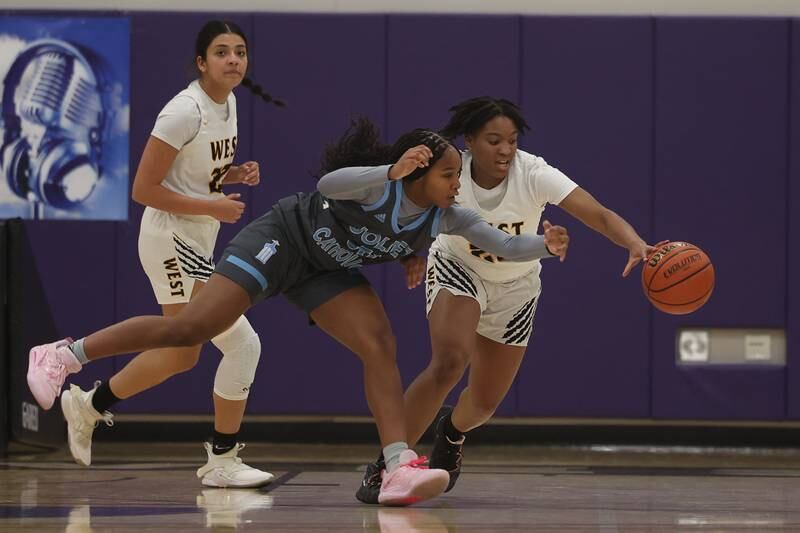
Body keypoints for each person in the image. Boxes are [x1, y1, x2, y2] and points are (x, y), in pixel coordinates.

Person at [26, 117, 570, 506]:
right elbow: (328, 185)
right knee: (193, 327)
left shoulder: (446, 217)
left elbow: (504, 244)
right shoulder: (378, 186)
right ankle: (65, 355)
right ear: (419, 172)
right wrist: (388, 169)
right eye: (450, 174)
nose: (459, 184)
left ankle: (398, 466)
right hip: (284, 239)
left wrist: (545, 245)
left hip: (326, 272)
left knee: (380, 346)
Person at [355, 96, 664, 503]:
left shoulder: (533, 172)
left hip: (516, 286)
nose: (504, 150)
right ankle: (388, 465)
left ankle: (451, 432)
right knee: (449, 362)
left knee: (482, 405)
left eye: (511, 141)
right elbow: (403, 210)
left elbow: (599, 213)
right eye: (493, 140)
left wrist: (634, 243)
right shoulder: (453, 172)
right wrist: (406, 255)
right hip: (458, 267)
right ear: (470, 141)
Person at [52, 20, 283, 488]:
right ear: (202, 63)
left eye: (239, 51)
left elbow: (193, 174)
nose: (233, 60)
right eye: (222, 52)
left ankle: (89, 405)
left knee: (182, 354)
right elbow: (143, 188)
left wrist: (233, 175)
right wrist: (213, 204)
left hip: (197, 237)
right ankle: (221, 459)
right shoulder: (184, 110)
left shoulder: (229, 102)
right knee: (242, 343)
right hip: (170, 238)